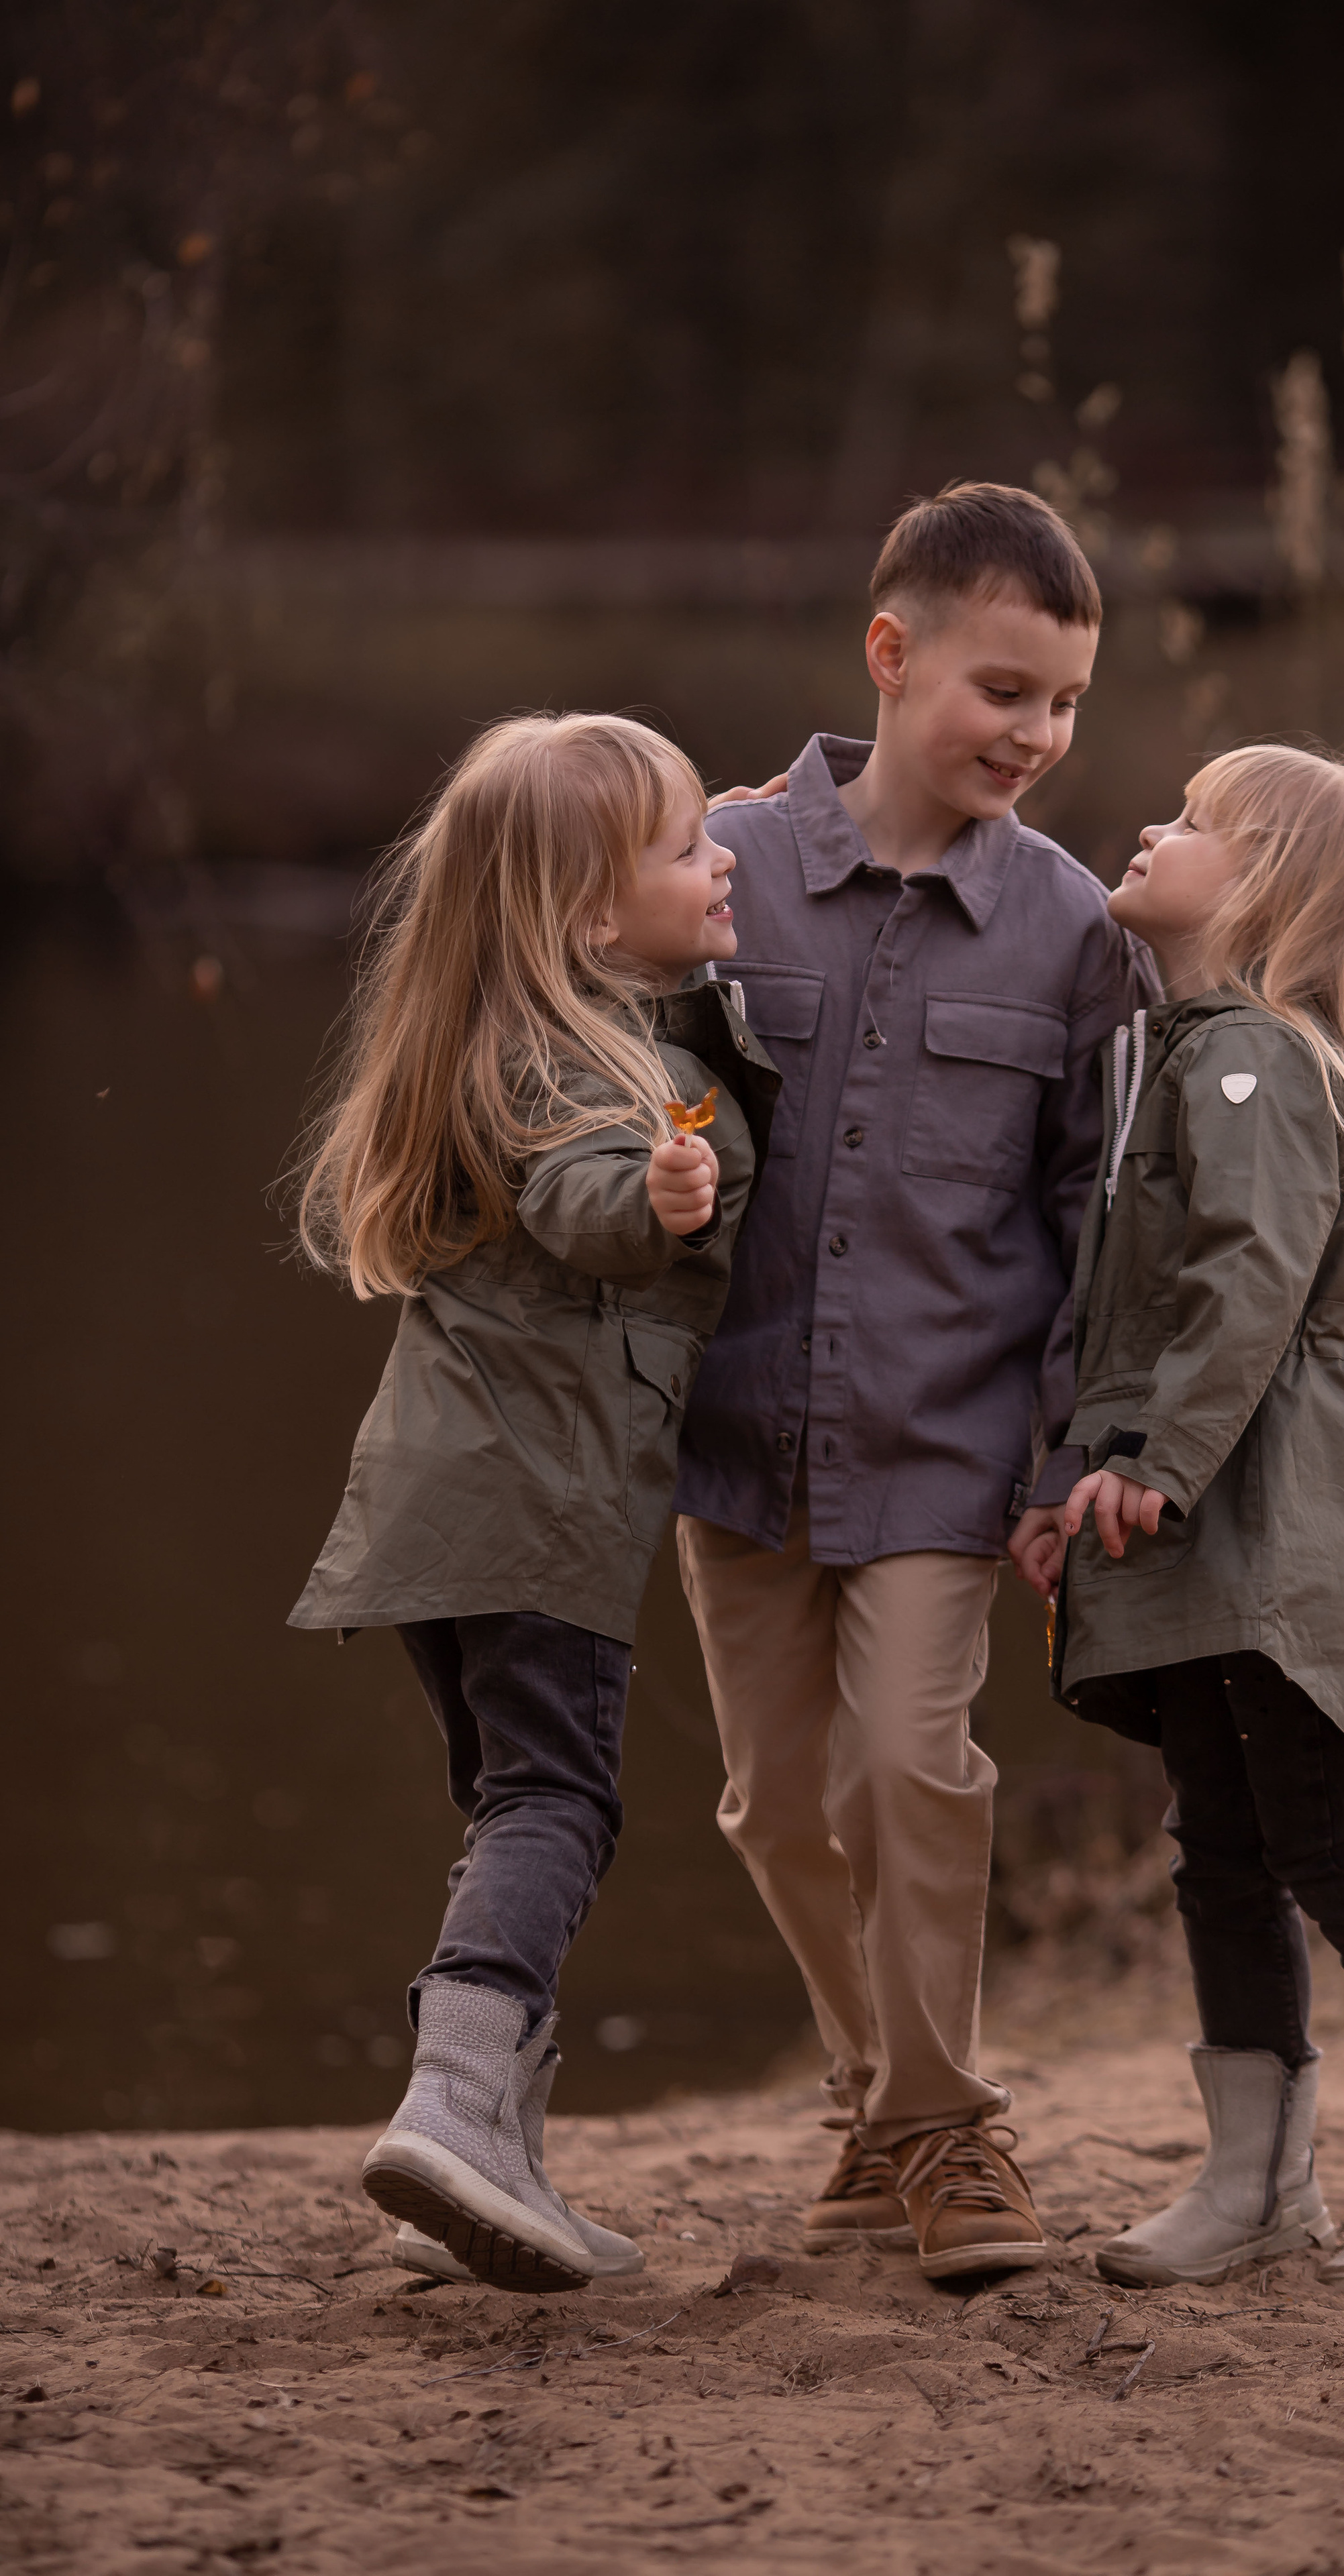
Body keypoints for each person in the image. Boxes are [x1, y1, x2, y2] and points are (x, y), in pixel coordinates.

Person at [674, 482, 1155, 2279]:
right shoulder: (716, 867)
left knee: (907, 1769)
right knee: (775, 1805)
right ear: (890, 654)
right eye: (1002, 689)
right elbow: (603, 1067)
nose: (1036, 734)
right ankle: (875, 2105)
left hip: (945, 1444)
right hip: (736, 1437)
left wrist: (1061, 1455)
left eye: (1065, 703)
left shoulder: (1072, 931)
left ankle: (947, 2134)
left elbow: (1090, 1217)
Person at [1022, 741, 1344, 2288]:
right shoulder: (1193, 1052)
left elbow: (1244, 1283)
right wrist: (1081, 1470)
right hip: (1212, 1524)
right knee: (1218, 1845)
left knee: (1323, 1836)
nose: (1150, 826)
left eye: (1193, 821)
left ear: (1265, 889)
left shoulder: (1251, 1058)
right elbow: (1147, 1315)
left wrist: (1152, 1462)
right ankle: (1254, 2181)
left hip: (1279, 1529)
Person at [289, 712, 778, 2292]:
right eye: (688, 848)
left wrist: (700, 851)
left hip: (430, 1513)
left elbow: (620, 1036)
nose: (721, 862)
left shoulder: (509, 1036)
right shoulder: (596, 1077)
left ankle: (490, 2156)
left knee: (507, 1809)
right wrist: (659, 1194)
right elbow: (587, 1198)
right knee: (556, 1805)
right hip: (537, 1509)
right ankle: (450, 2105)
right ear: (586, 917)